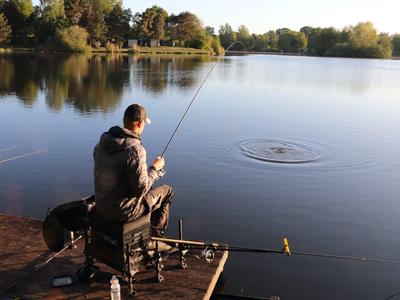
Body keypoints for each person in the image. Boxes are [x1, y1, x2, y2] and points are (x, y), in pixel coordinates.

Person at [93, 104, 173, 236]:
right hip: (123, 212)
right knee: (167, 191)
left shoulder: (100, 145)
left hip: (101, 206)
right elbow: (141, 189)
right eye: (144, 124)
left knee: (150, 188)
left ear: (125, 121)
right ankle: (155, 236)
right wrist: (155, 168)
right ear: (140, 124)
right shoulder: (135, 150)